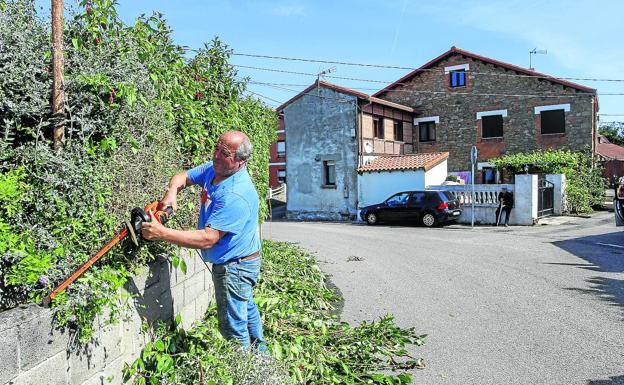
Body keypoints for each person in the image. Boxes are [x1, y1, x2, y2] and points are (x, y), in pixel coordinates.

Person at [141, 130, 267, 352]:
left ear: (240, 161)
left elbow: (208, 238)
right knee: (245, 310)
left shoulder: (236, 194)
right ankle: (261, 356)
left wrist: (161, 232)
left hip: (236, 267)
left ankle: (247, 370)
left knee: (232, 327)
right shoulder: (215, 169)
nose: (216, 155)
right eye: (216, 147)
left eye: (224, 152)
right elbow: (183, 177)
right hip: (242, 259)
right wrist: (171, 193)